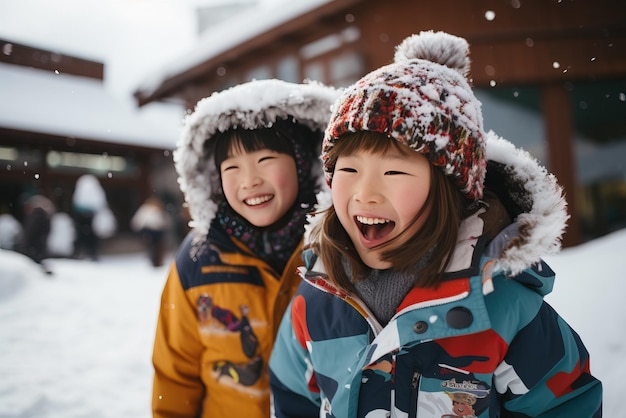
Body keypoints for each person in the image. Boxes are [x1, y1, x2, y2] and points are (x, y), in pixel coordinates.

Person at [269, 31, 602, 417]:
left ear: (449, 189)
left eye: (393, 171)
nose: (366, 193)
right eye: (349, 169)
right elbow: (292, 397)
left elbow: (567, 404)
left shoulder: (503, 308)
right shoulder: (316, 301)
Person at [151, 79, 338, 418]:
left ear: (302, 162)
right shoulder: (199, 260)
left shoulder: (337, 252)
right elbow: (175, 375)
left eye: (265, 159)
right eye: (231, 167)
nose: (249, 180)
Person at [20, 194, 55, 274]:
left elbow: (29, 234)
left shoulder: (36, 216)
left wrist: (25, 246)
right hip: (39, 248)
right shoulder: (45, 218)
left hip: (34, 248)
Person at [131, 196, 168, 267]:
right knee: (155, 247)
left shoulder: (156, 209)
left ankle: (156, 261)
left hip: (155, 231)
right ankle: (155, 261)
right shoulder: (146, 209)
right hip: (152, 231)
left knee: (155, 247)